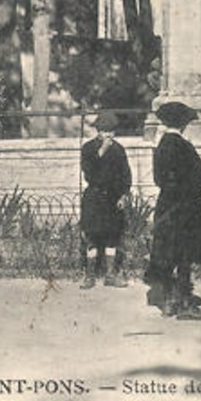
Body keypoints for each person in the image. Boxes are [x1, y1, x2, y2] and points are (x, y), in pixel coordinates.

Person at [144, 102, 201, 320]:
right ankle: (185, 302)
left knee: (168, 252)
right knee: (185, 254)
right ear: (183, 124)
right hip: (186, 205)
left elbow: (160, 179)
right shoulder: (182, 145)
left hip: (168, 204)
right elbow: (194, 174)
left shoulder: (161, 146)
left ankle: (168, 301)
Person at [79, 110, 132, 289]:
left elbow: (126, 174)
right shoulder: (88, 149)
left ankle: (110, 274)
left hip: (112, 199)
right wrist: (101, 152)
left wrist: (124, 194)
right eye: (103, 130)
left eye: (111, 131)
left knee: (112, 236)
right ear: (98, 131)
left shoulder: (118, 150)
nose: (107, 134)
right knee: (92, 236)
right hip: (94, 197)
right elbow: (89, 174)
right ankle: (90, 275)